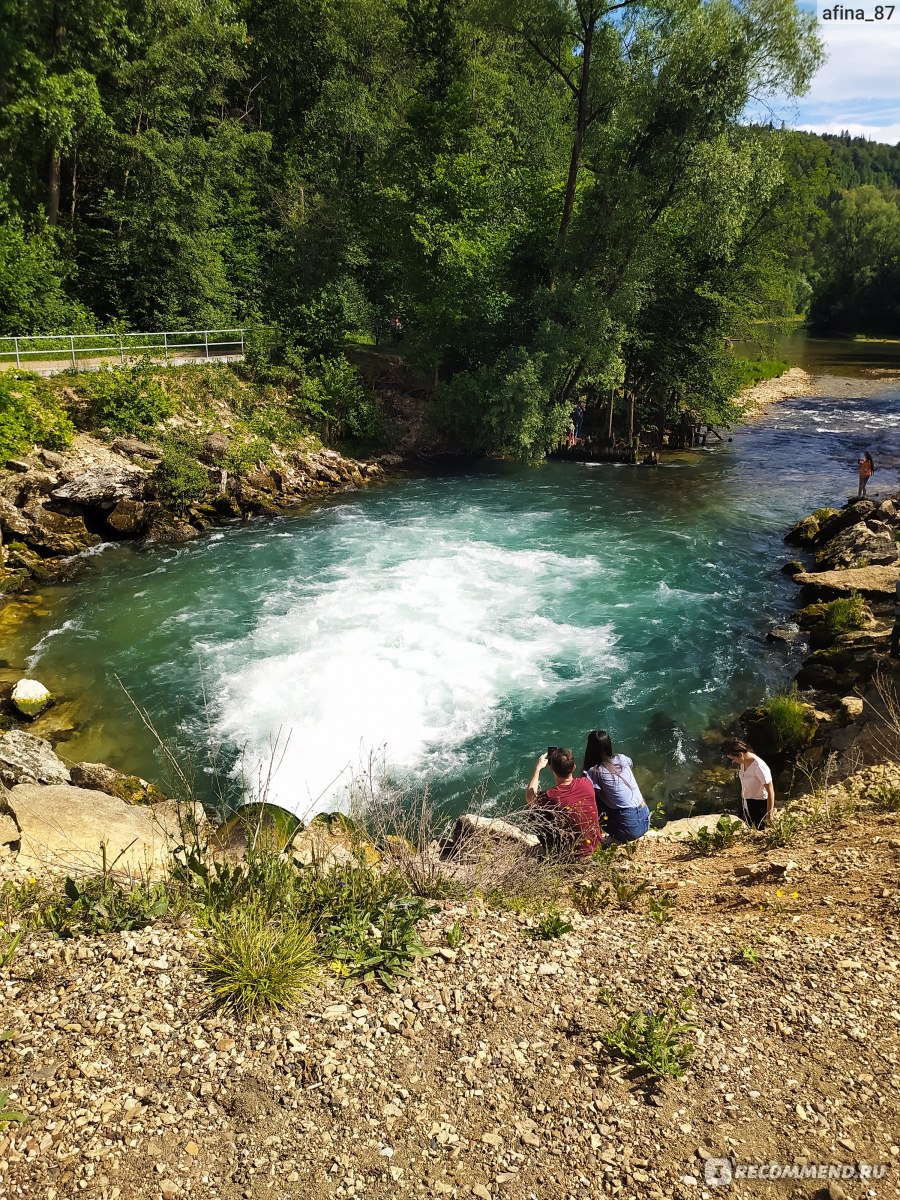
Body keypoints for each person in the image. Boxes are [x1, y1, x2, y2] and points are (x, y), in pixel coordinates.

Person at [525, 747, 602, 858]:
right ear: (574, 767)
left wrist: (538, 769)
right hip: (595, 845)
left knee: (533, 815)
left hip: (572, 855)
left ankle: (553, 852)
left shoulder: (550, 796)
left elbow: (529, 798)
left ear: (551, 768)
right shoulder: (587, 783)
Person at [581, 730, 650, 844]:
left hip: (629, 829)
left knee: (592, 797)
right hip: (645, 819)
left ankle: (596, 837)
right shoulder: (622, 758)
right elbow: (630, 764)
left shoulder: (593, 772)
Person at [722, 737, 774, 829]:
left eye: (733, 758)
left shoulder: (759, 767)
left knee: (758, 830)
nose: (733, 761)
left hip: (759, 805)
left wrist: (769, 815)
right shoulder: (744, 762)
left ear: (740, 754)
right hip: (746, 801)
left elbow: (770, 791)